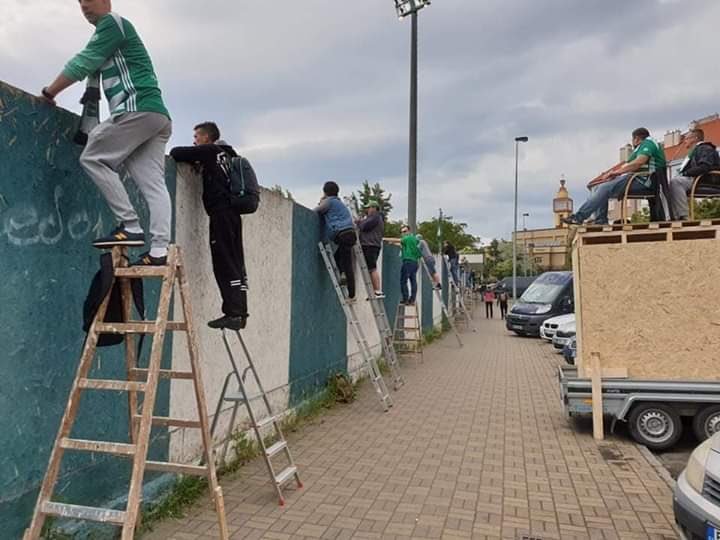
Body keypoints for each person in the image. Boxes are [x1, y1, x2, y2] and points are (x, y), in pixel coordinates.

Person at [40, 0, 172, 264]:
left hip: (136, 108)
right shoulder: (111, 31)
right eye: (80, 2)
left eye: (89, 0)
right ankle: (160, 251)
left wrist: (49, 92)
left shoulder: (113, 23)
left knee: (93, 157)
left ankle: (130, 226)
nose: (85, 6)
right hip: (156, 115)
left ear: (107, 1)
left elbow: (83, 63)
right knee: (153, 184)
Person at [170, 122, 255, 330]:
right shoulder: (228, 156)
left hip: (221, 213)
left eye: (197, 136)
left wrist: (199, 155)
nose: (195, 141)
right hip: (234, 214)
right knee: (235, 261)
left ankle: (233, 313)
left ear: (207, 138)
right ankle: (240, 313)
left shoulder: (210, 151)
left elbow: (175, 152)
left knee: (223, 261)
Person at [563, 128, 667, 225]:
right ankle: (601, 221)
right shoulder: (640, 148)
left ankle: (579, 217)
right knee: (597, 188)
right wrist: (613, 175)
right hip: (633, 178)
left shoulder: (648, 143)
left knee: (604, 188)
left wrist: (617, 173)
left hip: (644, 182)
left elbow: (639, 162)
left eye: (633, 140)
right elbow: (627, 164)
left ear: (636, 139)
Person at [315, 182, 356, 301]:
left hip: (342, 234)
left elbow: (317, 211)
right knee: (338, 258)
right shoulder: (339, 203)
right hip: (350, 234)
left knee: (347, 264)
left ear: (325, 191)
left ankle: (352, 295)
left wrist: (322, 201)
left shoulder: (330, 201)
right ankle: (342, 275)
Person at [668, 128, 720, 220]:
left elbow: (704, 167)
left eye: (687, 138)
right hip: (697, 178)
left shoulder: (705, 149)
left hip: (705, 180)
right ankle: (670, 216)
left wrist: (686, 173)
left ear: (695, 138)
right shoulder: (694, 152)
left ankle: (683, 216)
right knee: (667, 185)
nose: (685, 141)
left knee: (676, 182)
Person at [356, 200, 384, 298]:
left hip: (370, 245)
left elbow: (364, 226)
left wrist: (358, 222)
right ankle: (374, 291)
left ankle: (377, 290)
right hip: (372, 245)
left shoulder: (375, 217)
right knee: (370, 268)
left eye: (368, 208)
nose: (367, 210)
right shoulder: (375, 218)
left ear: (373, 208)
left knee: (372, 268)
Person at [399, 226, 422, 305]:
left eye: (404, 231)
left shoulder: (407, 238)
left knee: (403, 281)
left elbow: (400, 241)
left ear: (409, 231)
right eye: (402, 232)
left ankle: (405, 299)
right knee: (413, 281)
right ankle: (412, 299)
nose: (403, 233)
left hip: (408, 261)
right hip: (415, 262)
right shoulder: (415, 239)